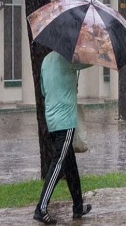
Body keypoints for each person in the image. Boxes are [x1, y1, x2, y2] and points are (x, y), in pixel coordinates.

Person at [33, 51, 92, 224]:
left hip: (51, 120)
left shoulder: (45, 60)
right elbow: (89, 62)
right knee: (58, 164)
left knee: (70, 166)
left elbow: (44, 90)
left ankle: (78, 206)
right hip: (65, 122)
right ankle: (41, 208)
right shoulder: (69, 59)